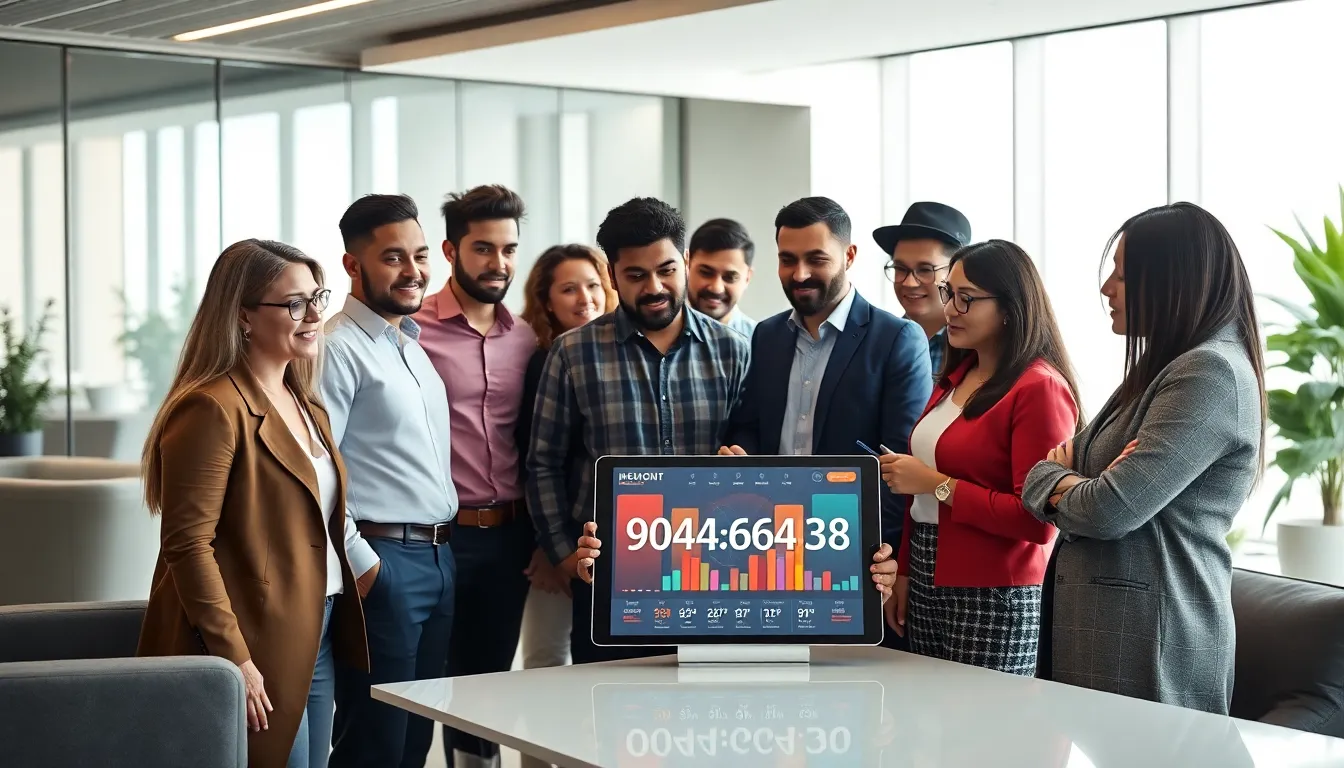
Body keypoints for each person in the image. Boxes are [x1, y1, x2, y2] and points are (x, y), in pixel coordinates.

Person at [1023, 202, 1266, 714]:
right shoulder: (1164, 368)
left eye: (1123, 276)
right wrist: (1066, 477)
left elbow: (1108, 510)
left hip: (1153, 641)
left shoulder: (1209, 374)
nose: (1106, 289)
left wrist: (1065, 478)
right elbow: (1047, 471)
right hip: (1113, 633)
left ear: (1175, 281)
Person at [137, 239, 368, 768]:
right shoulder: (212, 407)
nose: (315, 316)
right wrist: (234, 658)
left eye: (317, 298)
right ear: (243, 316)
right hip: (255, 638)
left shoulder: (307, 403)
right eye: (295, 304)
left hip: (319, 626)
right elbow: (187, 546)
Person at [525, 197, 751, 664]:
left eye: (666, 270)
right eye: (636, 275)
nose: (655, 287)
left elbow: (750, 451)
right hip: (609, 576)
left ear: (685, 261)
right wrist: (564, 554)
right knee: (607, 703)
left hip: (712, 576)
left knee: (708, 701)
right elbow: (543, 462)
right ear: (612, 275)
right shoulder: (572, 353)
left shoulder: (733, 350)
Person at [720, 197, 931, 621]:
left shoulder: (897, 339)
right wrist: (739, 454)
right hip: (765, 547)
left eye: (816, 259)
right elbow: (749, 425)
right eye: (787, 260)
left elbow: (899, 466)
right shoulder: (767, 335)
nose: (799, 274)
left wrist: (883, 555)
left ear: (849, 256)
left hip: (852, 554)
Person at [877, 239, 1080, 676]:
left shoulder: (1039, 388)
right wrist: (906, 572)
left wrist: (936, 484)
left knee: (983, 719)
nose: (949, 309)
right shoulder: (956, 376)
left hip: (995, 591)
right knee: (927, 713)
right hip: (926, 573)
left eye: (966, 299)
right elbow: (917, 494)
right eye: (949, 293)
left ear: (1009, 307)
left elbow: (1036, 521)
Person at [323, 194, 459, 768]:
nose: (413, 271)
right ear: (353, 265)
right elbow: (317, 470)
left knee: (416, 740)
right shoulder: (336, 349)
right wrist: (363, 564)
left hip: (438, 558)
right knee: (375, 743)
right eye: (393, 257)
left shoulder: (410, 345)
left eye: (420, 255)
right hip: (385, 562)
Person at [412, 185, 537, 768]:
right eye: (483, 248)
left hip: (510, 536)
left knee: (488, 683)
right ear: (450, 250)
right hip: (440, 538)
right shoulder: (412, 331)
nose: (499, 263)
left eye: (509, 249)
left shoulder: (528, 338)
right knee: (431, 681)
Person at [514, 243, 616, 768]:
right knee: (547, 661)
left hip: (590, 545)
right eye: (569, 288)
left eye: (593, 285)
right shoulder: (544, 360)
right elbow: (536, 458)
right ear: (546, 300)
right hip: (553, 540)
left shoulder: (614, 353)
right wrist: (548, 546)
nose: (585, 298)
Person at [873, 202, 972, 377]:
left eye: (925, 270)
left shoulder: (980, 350)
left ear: (957, 272)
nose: (910, 283)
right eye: (900, 268)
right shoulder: (876, 343)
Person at [686, 217, 756, 338]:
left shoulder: (760, 343)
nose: (716, 288)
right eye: (706, 273)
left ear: (747, 278)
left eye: (730, 277)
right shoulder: (655, 334)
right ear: (686, 265)